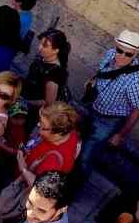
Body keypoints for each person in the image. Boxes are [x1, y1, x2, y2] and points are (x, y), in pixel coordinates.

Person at [79, 29, 139, 176]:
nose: (122, 56)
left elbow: (136, 110)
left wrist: (120, 134)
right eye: (120, 50)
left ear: (136, 54)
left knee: (86, 158)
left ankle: (71, 190)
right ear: (116, 46)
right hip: (93, 108)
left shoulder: (135, 80)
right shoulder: (110, 54)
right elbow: (101, 72)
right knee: (77, 146)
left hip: (109, 121)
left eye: (128, 54)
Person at [16, 103, 80, 184]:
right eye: (40, 121)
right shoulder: (69, 130)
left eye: (43, 127)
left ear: (58, 132)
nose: (39, 126)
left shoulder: (53, 161)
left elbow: (39, 186)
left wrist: (23, 168)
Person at [3, 171, 70, 223]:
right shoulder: (61, 214)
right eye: (30, 202)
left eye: (41, 211)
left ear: (61, 210)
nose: (29, 214)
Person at [22, 29, 71, 130]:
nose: (39, 48)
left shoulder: (54, 74)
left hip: (32, 114)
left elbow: (48, 102)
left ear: (56, 50)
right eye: (40, 43)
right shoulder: (42, 59)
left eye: (45, 45)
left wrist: (25, 102)